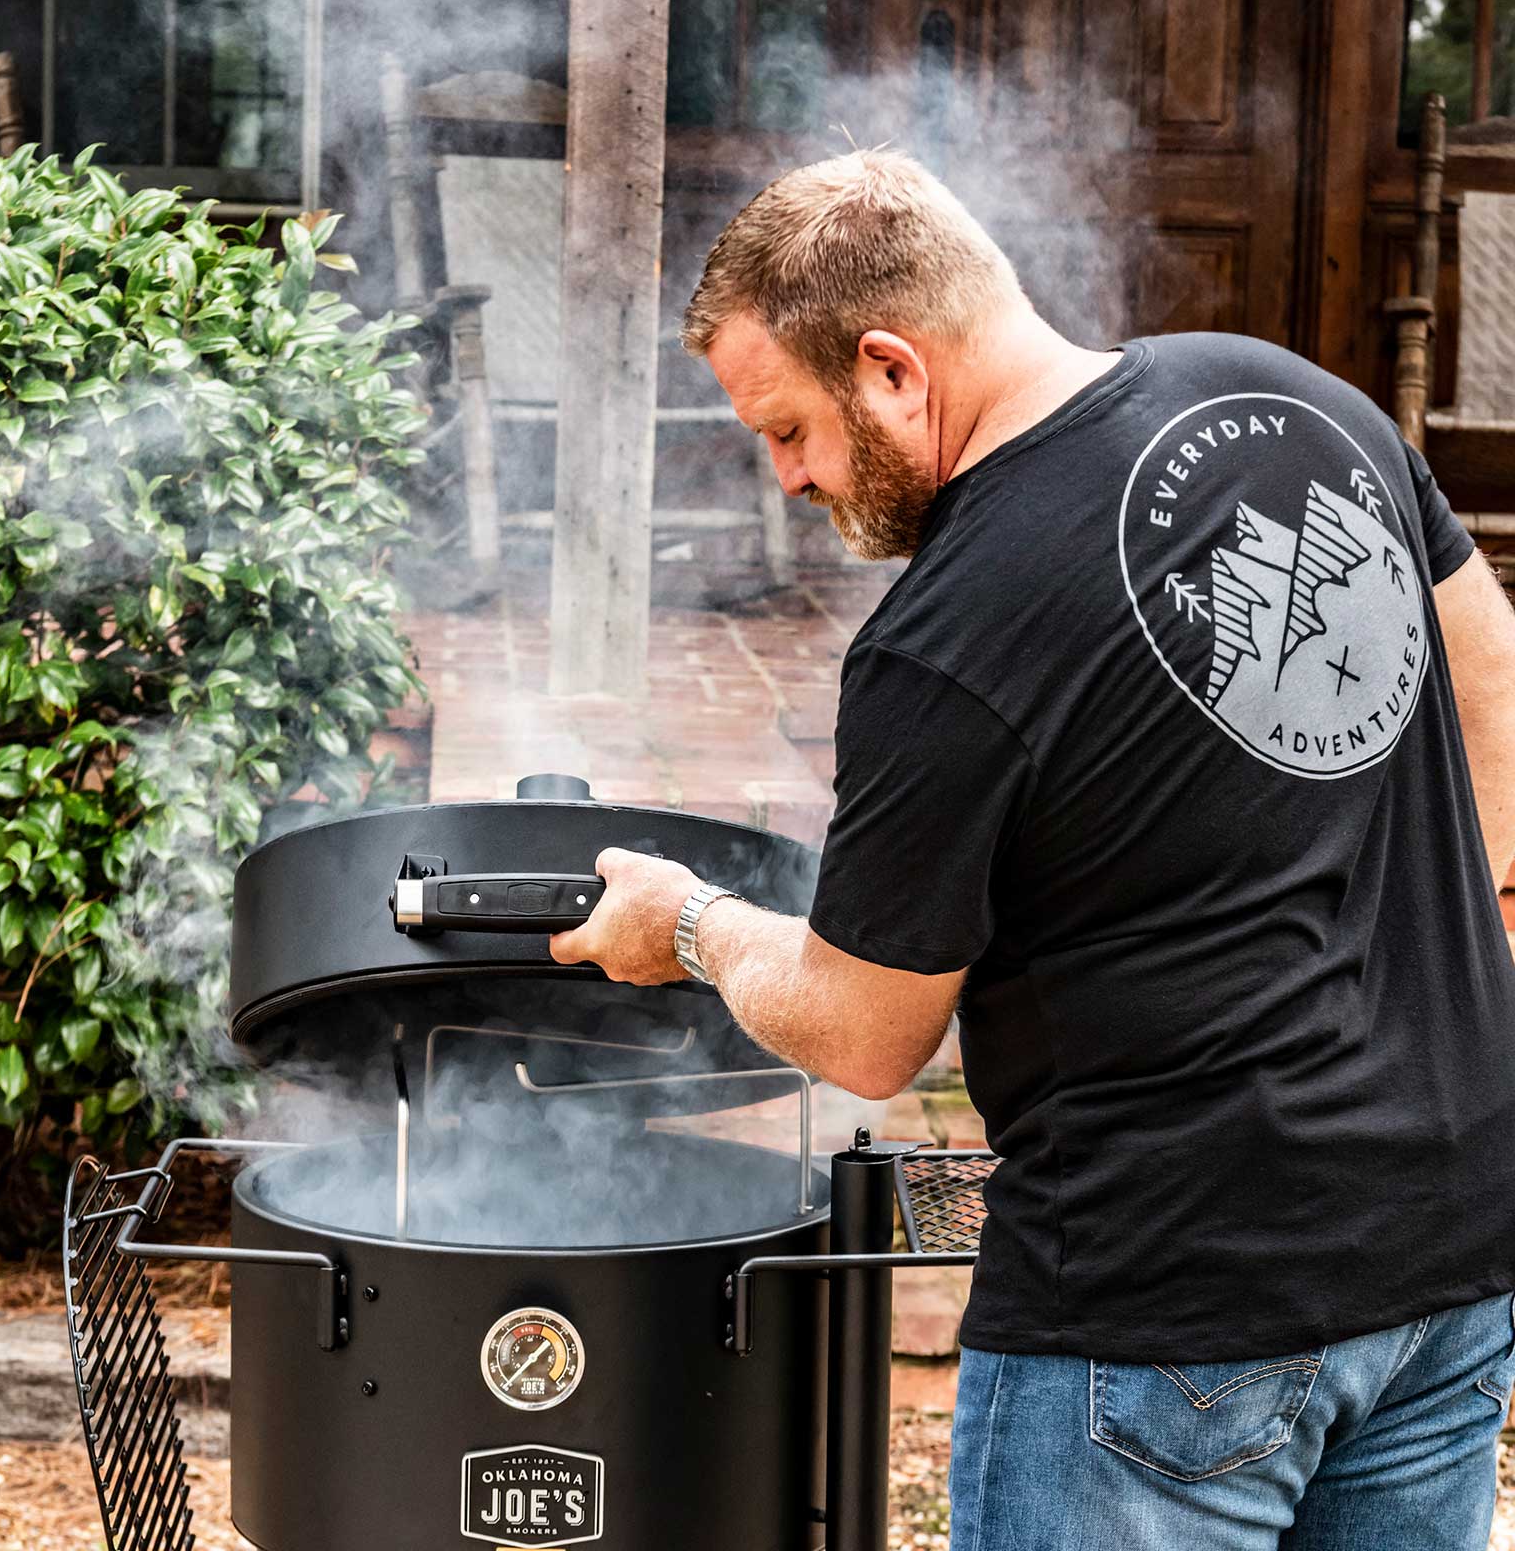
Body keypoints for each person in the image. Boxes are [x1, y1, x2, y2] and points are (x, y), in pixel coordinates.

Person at [548, 149, 1515, 1549]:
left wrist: (688, 922)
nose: (791, 479)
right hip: (1454, 1240)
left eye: (788, 429)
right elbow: (1496, 682)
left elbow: (870, 1031)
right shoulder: (1289, 396)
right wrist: (1460, 939)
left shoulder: (948, 641)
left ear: (891, 368)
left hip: (1165, 1313)